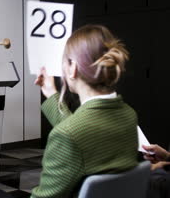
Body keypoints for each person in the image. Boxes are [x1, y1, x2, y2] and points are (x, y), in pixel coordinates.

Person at [32, 24, 138, 198]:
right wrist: (51, 93)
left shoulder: (68, 135)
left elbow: (73, 136)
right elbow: (81, 134)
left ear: (73, 67)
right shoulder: (128, 114)